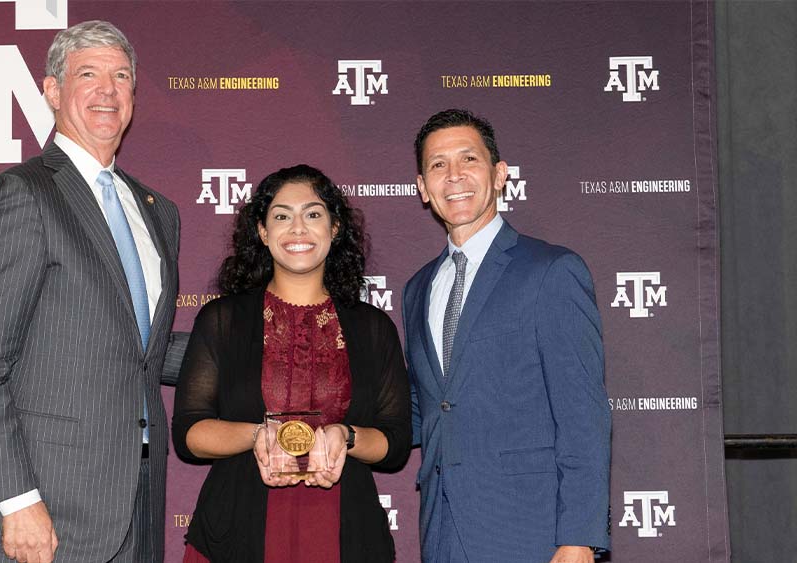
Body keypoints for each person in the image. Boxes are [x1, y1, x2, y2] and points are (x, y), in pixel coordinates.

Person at [0, 20, 181, 563]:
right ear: (52, 92)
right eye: (89, 74)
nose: (108, 90)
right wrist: (16, 500)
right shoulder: (22, 194)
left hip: (137, 502)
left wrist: (253, 344)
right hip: (43, 508)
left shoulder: (157, 212)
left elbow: (139, 347)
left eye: (121, 76)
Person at [172, 165, 411, 563]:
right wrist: (259, 436)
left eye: (313, 214)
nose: (298, 228)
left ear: (335, 228)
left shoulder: (373, 327)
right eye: (282, 216)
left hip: (347, 532)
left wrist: (345, 436)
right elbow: (190, 432)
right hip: (236, 528)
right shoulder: (223, 319)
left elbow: (396, 443)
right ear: (263, 233)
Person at [402, 109, 611, 563]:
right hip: (442, 529)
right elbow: (424, 408)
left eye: (468, 160)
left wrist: (578, 537)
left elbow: (583, 414)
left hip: (532, 531)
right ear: (422, 187)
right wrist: (340, 431)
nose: (454, 176)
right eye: (438, 165)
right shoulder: (418, 289)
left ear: (500, 175)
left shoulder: (551, 271)